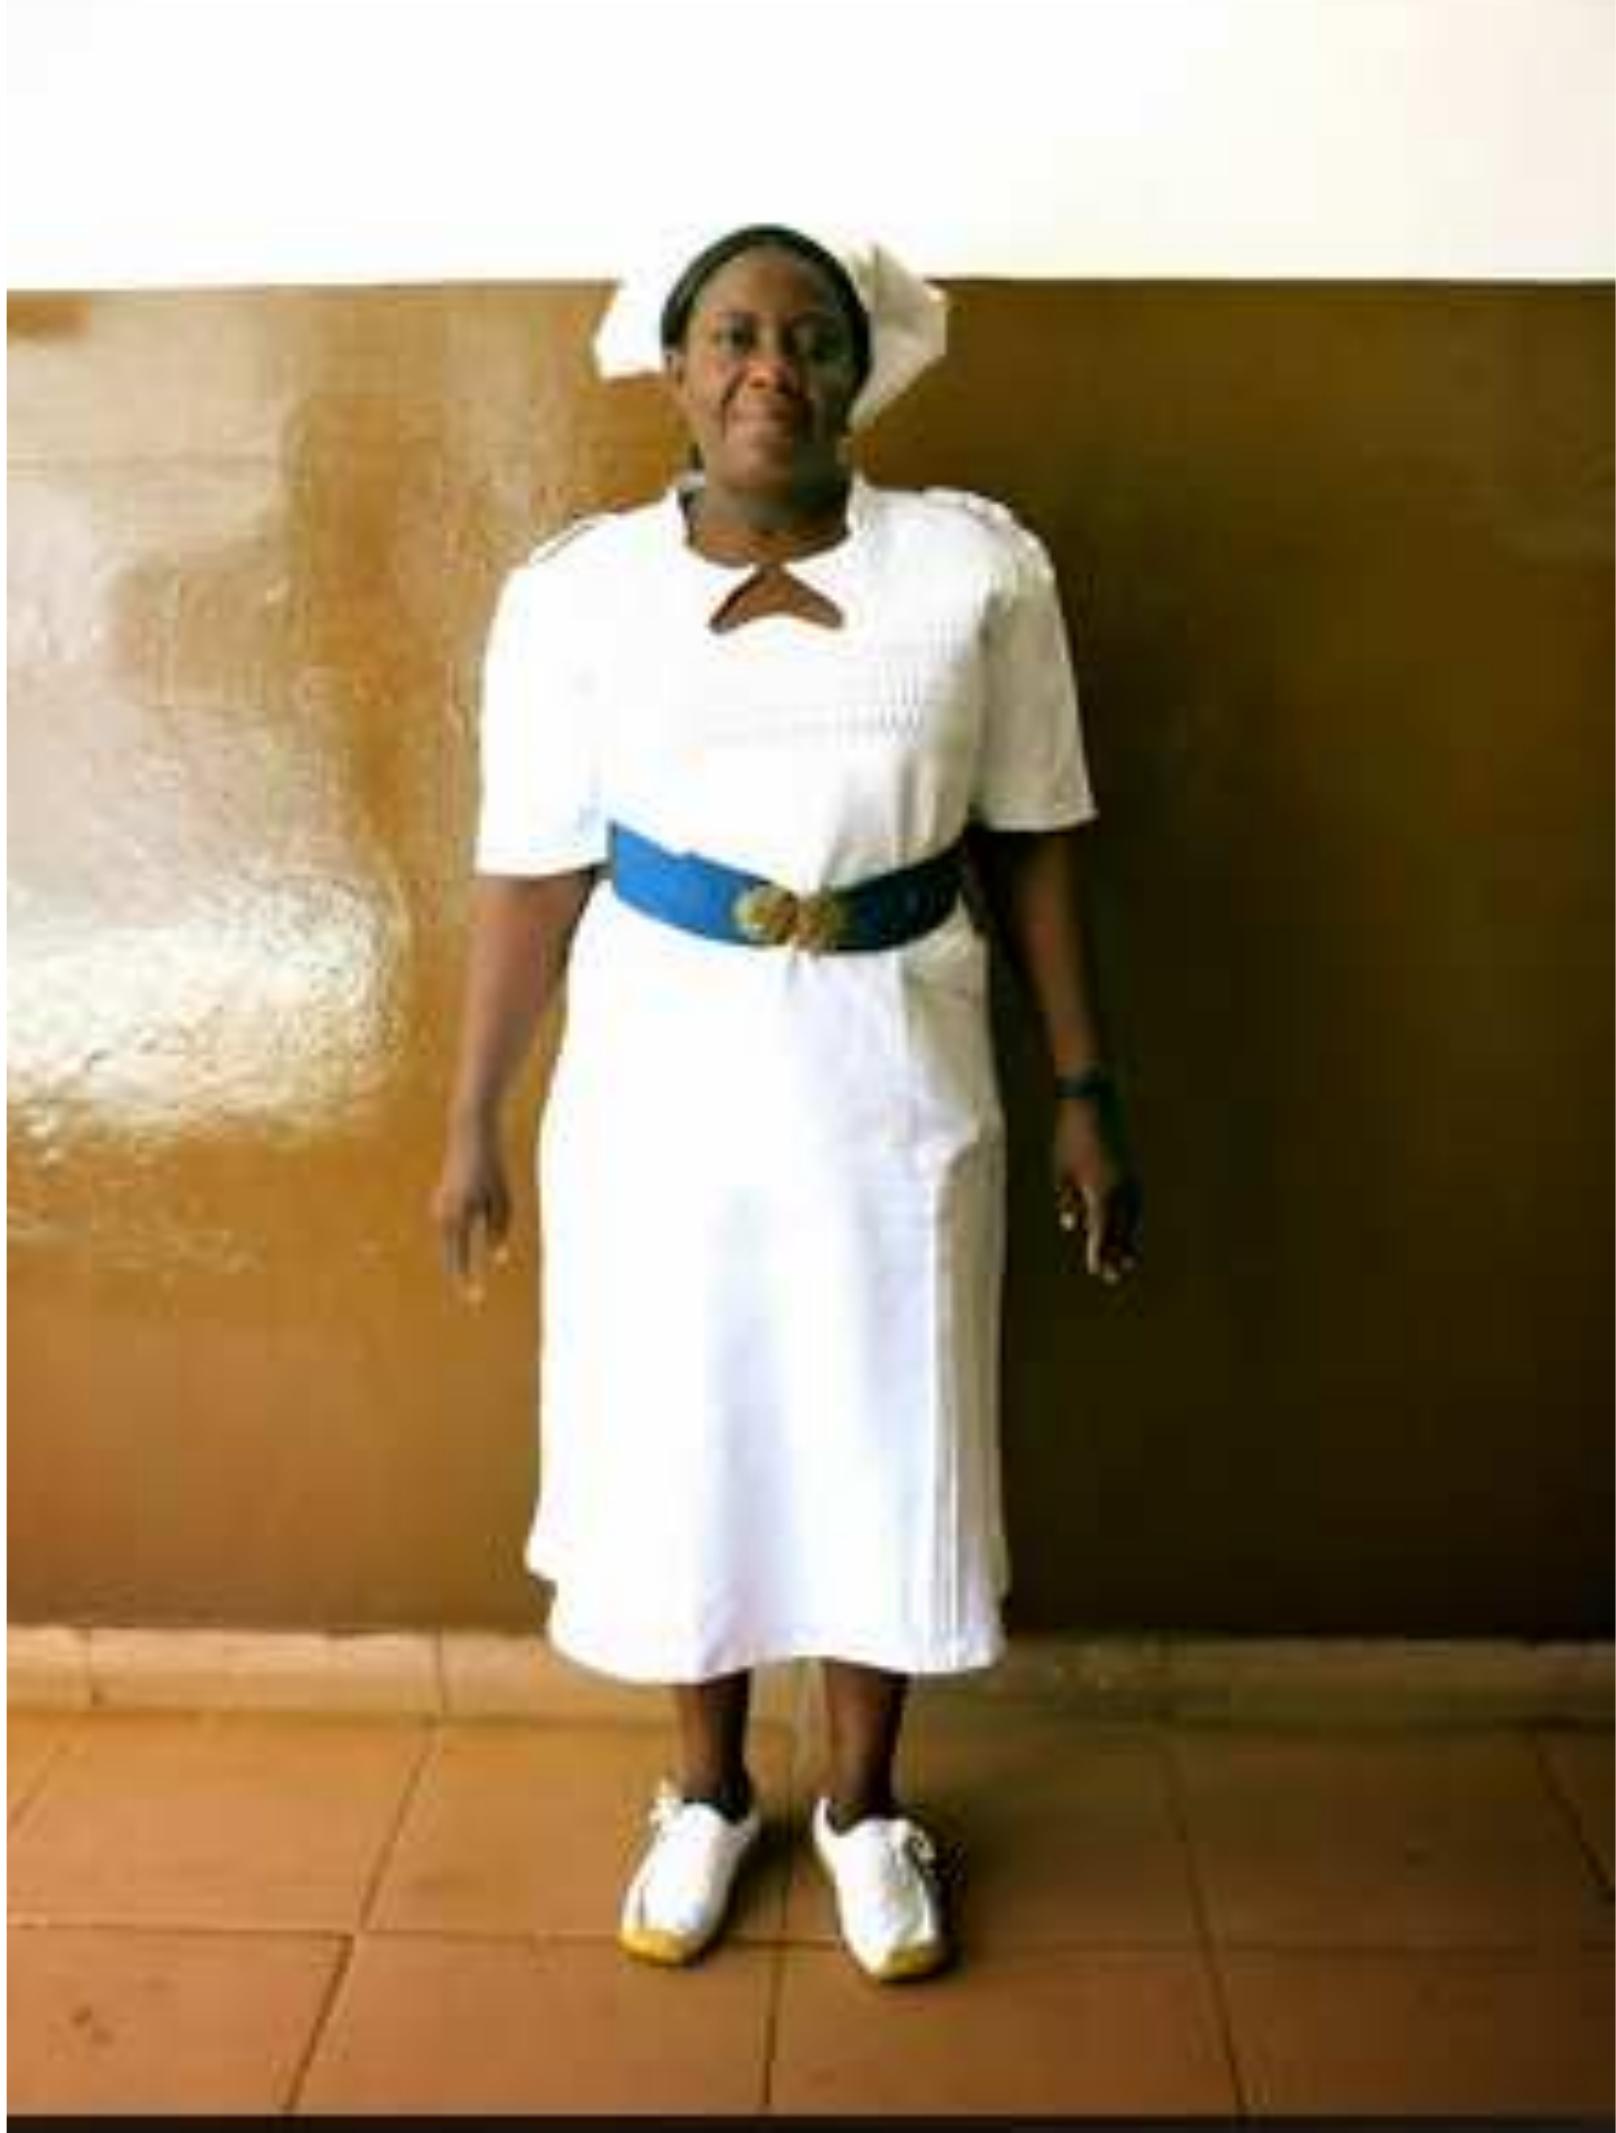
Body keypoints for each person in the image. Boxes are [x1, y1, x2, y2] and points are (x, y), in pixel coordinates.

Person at [431, 220, 1143, 1985]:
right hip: (663, 1078)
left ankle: (865, 1804)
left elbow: (1036, 837)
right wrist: (475, 1118)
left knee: (884, 1417)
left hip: (899, 1066)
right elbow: (530, 873)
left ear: (859, 366)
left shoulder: (976, 575)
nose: (773, 368)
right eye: (734, 334)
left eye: (811, 337)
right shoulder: (577, 596)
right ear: (676, 370)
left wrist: (1084, 1088)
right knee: (692, 1418)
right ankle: (703, 1791)